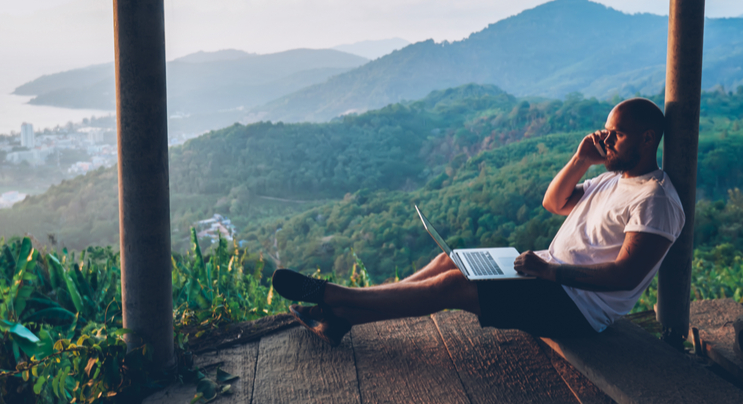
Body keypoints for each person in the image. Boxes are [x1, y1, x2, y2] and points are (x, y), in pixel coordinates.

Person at [271, 98, 685, 345]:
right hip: (545, 274)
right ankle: (342, 317)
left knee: (455, 285)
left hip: (577, 309)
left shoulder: (656, 199)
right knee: (448, 263)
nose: (607, 142)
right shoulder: (613, 178)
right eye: (605, 133)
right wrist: (580, 158)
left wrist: (553, 272)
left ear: (648, 139)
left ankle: (337, 296)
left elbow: (625, 275)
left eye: (617, 136)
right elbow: (554, 202)